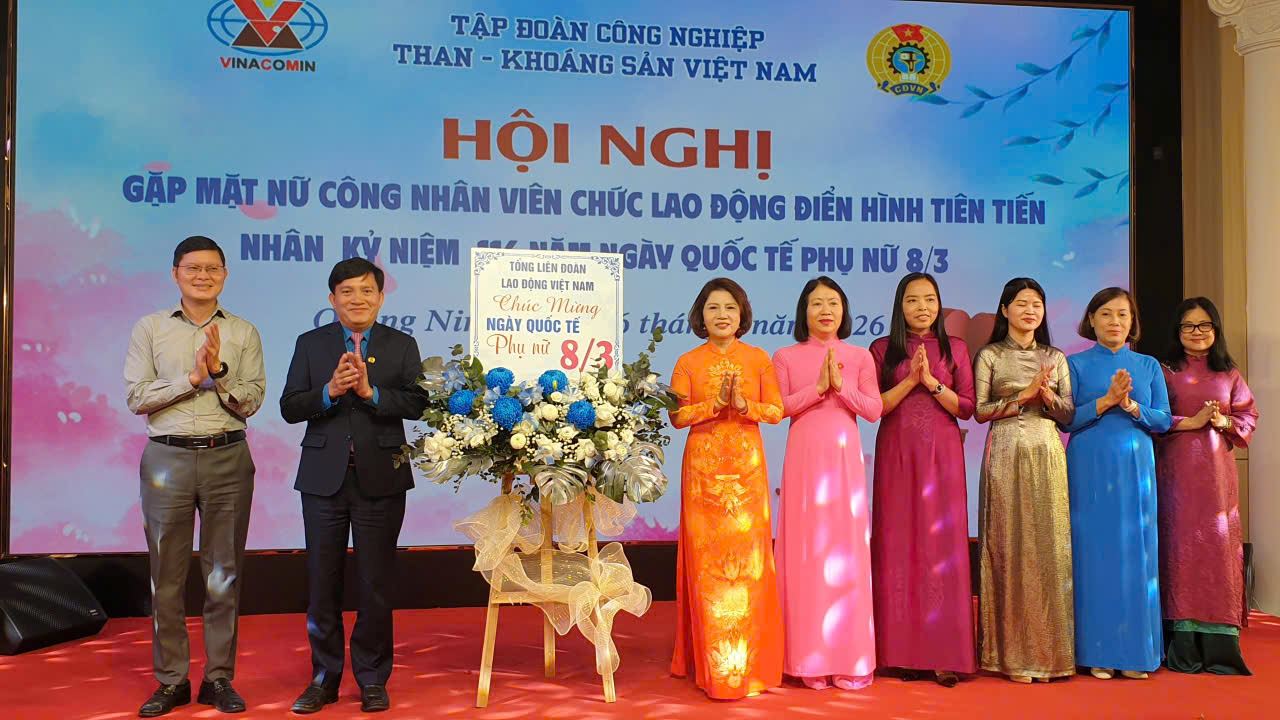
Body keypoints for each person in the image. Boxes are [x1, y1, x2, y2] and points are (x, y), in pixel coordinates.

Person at [124, 235, 265, 717]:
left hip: (228, 456)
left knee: (224, 573)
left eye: (212, 269)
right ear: (175, 273)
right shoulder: (150, 328)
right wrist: (190, 380)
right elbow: (137, 397)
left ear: (224, 275)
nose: (203, 276)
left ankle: (219, 679)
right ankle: (171, 681)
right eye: (193, 268)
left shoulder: (243, 331)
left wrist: (219, 371)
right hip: (168, 458)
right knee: (166, 574)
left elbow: (252, 400)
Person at [280, 258, 427, 714]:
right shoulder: (311, 344)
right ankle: (323, 679)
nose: (357, 299)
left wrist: (370, 394)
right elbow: (290, 406)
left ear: (380, 298)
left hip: (381, 478)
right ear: (332, 300)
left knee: (375, 583)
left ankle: (372, 678)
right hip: (323, 481)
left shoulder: (401, 345)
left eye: (366, 291)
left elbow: (420, 403)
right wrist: (329, 391)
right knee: (322, 583)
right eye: (347, 292)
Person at [668, 277, 785, 699]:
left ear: (742, 315)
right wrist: (713, 406)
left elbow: (775, 410)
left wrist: (742, 406)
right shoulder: (686, 361)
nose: (722, 315)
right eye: (714, 308)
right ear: (701, 315)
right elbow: (678, 418)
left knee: (749, 567)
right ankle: (711, 662)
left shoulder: (758, 359)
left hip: (747, 471)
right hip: (702, 472)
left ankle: (749, 664)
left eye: (730, 308)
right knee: (708, 566)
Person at [773, 277, 883, 690]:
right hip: (804, 458)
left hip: (843, 459)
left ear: (843, 310)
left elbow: (873, 409)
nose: (825, 310)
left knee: (846, 552)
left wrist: (842, 388)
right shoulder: (785, 355)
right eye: (816, 303)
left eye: (833, 302)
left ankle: (848, 658)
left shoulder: (858, 356)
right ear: (804, 311)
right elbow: (776, 409)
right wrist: (817, 389)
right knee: (806, 552)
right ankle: (807, 659)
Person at [868, 272, 976, 687]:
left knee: (941, 547)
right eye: (913, 300)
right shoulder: (883, 349)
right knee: (899, 544)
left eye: (929, 299)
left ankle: (944, 654)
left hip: (942, 455)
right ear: (900, 306)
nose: (922, 307)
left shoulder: (957, 349)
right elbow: (874, 406)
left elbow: (966, 407)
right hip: (897, 454)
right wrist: (909, 380)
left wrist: (928, 382)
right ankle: (902, 653)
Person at [1062, 287, 1171, 680]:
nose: (1115, 322)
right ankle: (1097, 652)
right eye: (1106, 314)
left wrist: (1132, 406)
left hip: (1135, 465)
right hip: (1088, 465)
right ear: (1091, 320)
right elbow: (1066, 419)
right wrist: (1105, 402)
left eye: (1123, 315)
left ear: (1133, 322)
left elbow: (1163, 420)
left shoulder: (1148, 365)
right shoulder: (1073, 364)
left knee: (1135, 554)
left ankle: (1136, 654)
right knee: (1093, 556)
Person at [971, 278, 1075, 683]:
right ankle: (1009, 654)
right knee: (1009, 544)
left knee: (1048, 545)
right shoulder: (991, 355)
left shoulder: (1056, 356)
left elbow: (1067, 415)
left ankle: (1051, 653)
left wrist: (1046, 397)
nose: (1030, 310)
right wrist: (1024, 395)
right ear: (1004, 310)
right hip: (1006, 450)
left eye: (1036, 304)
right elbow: (980, 411)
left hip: (1048, 450)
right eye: (1021, 303)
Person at [1157, 297, 1257, 674]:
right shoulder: (1165, 371)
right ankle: (1180, 644)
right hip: (1176, 473)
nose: (1197, 333)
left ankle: (1219, 648)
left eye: (1204, 326)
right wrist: (1194, 418)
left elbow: (1248, 414)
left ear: (1216, 330)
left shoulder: (1228, 372)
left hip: (1217, 478)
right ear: (1177, 331)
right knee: (1179, 549)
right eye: (1188, 326)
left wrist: (1225, 423)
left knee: (1217, 549)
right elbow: (1155, 417)